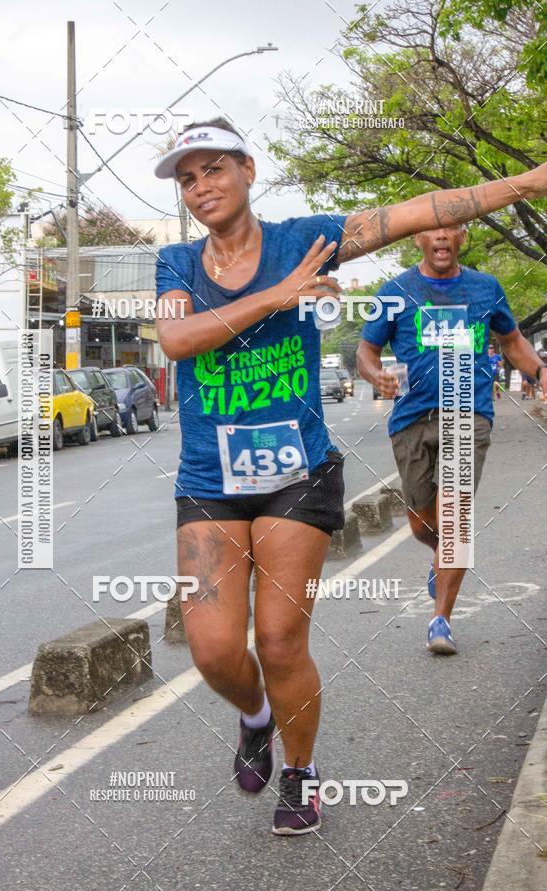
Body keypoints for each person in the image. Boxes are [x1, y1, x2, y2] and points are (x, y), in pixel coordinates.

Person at [154, 118, 547, 834]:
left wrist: (525, 182)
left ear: (246, 169)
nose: (201, 186)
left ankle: (300, 776)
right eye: (187, 178)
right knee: (212, 648)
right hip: (209, 479)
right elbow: (176, 339)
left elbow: (419, 212)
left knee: (278, 641)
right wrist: (277, 298)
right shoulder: (177, 264)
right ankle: (255, 715)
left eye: (214, 169)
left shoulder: (306, 240)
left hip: (296, 475)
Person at [357, 224, 547, 655]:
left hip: (468, 414)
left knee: (454, 521)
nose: (441, 238)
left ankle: (440, 619)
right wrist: (376, 375)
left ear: (462, 238)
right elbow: (366, 352)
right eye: (431, 232)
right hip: (411, 417)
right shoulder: (395, 291)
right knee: (424, 523)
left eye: (449, 231)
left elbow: (513, 339)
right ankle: (438, 555)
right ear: (418, 240)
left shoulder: (485, 288)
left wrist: (539, 371)